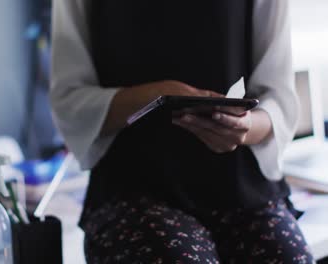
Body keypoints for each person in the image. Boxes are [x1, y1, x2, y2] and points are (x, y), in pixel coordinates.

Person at [50, 0, 314, 263]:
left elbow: (278, 98)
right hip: (133, 188)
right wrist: (157, 95)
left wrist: (244, 128)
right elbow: (69, 100)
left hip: (242, 189)